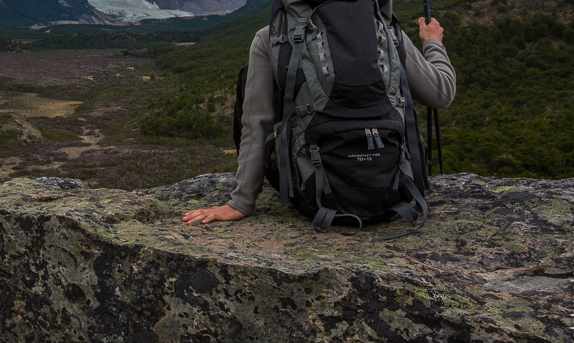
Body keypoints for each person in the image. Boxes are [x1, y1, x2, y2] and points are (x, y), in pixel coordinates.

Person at [183, 15, 456, 225]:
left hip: (313, 197)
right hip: (395, 193)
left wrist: (240, 203)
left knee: (249, 77)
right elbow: (442, 93)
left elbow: (258, 123)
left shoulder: (273, 37)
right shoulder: (386, 30)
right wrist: (432, 43)